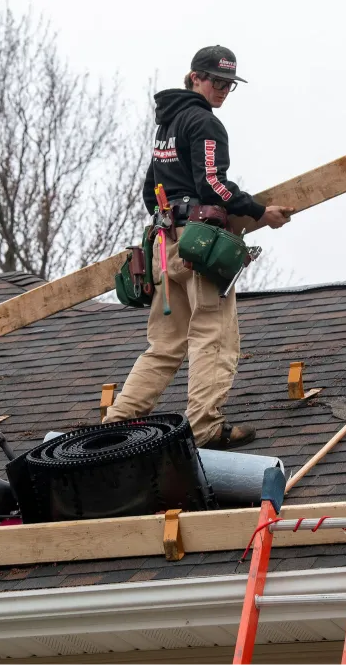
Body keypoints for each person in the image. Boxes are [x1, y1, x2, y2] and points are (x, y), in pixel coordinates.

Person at [103, 46, 292, 449]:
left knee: (165, 345)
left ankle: (115, 423)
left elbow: (149, 192)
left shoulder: (166, 125)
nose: (222, 90)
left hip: (164, 249)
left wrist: (169, 230)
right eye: (216, 81)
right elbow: (213, 185)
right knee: (213, 335)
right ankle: (204, 427)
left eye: (228, 85)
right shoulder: (203, 123)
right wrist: (261, 212)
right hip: (198, 247)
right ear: (194, 78)